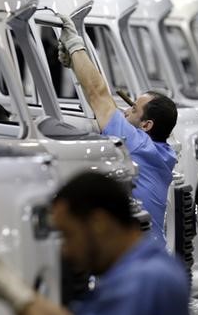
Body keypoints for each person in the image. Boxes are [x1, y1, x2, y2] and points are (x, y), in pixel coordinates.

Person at [0, 172, 190, 315]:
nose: (66, 251)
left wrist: (16, 296)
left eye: (68, 235)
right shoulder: (150, 263)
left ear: (99, 223)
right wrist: (15, 290)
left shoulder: (144, 280)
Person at [56, 14, 177, 244]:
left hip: (139, 258)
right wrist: (76, 65)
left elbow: (99, 95)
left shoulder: (138, 145)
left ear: (146, 125)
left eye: (132, 109)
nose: (124, 111)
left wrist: (74, 45)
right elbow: (106, 102)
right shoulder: (161, 152)